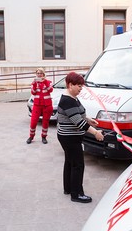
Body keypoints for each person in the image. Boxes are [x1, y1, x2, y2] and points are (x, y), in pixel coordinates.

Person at [57, 72, 104, 203]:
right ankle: (76, 194)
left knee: (70, 162)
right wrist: (96, 133)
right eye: (79, 86)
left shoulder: (72, 97)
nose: (81, 89)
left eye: (81, 86)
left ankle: (68, 189)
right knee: (78, 165)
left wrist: (88, 119)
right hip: (69, 137)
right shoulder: (68, 100)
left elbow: (78, 114)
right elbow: (79, 123)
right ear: (70, 85)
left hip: (68, 136)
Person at [27, 68, 53, 144]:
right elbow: (33, 93)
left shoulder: (48, 82)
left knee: (45, 122)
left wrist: (45, 82)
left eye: (40, 73)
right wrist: (35, 84)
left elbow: (50, 90)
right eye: (38, 73)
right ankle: (31, 136)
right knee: (33, 122)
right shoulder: (34, 83)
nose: (39, 74)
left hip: (46, 105)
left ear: (43, 74)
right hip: (37, 105)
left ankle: (44, 137)